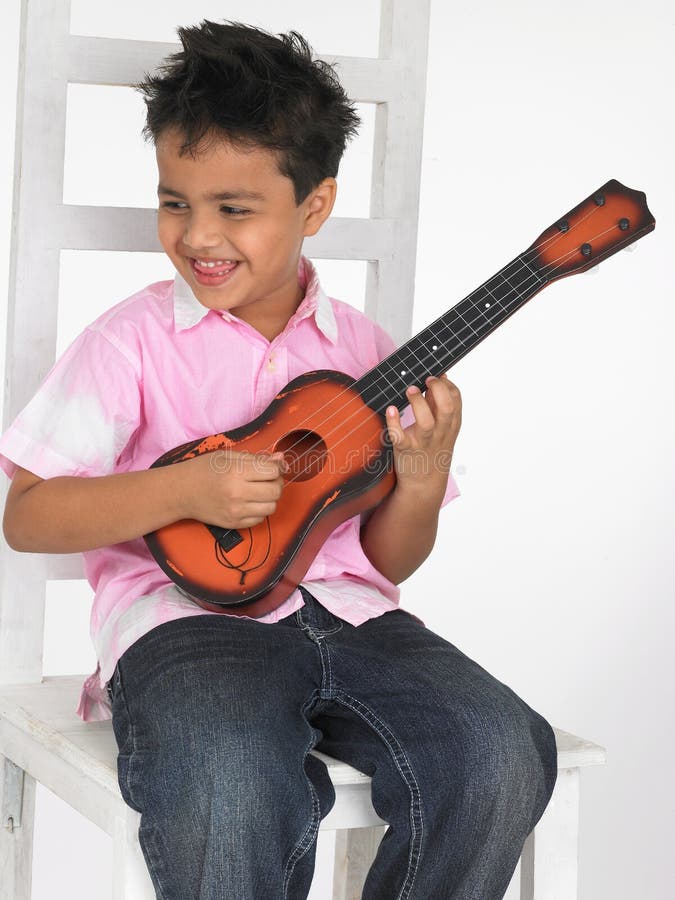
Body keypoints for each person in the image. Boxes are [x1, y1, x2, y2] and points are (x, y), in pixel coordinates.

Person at [0, 21, 557, 900]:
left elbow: (387, 560)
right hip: (185, 624)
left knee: (500, 752)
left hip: (355, 619)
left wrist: (419, 478)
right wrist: (182, 491)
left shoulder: (367, 356)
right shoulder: (131, 341)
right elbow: (27, 516)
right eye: (175, 202)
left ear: (314, 207)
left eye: (234, 209)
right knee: (228, 780)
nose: (198, 236)